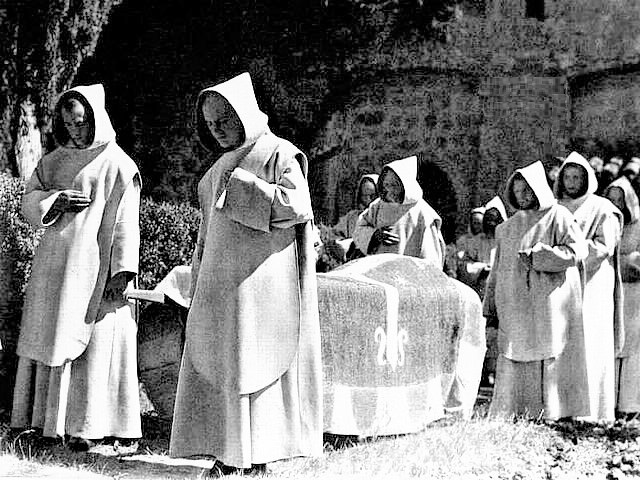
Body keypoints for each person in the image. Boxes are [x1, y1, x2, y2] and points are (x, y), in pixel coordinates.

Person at [169, 72, 322, 476]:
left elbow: (297, 207)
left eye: (225, 120)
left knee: (258, 361)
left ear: (244, 113)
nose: (218, 130)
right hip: (220, 285)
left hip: (264, 284)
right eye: (211, 123)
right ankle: (228, 452)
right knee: (222, 362)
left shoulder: (280, 153)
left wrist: (241, 189)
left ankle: (259, 455)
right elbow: (207, 233)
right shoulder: (215, 168)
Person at [11, 84, 142, 450]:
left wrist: (123, 270)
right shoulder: (53, 161)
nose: (75, 130)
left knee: (94, 342)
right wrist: (55, 200)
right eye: (68, 123)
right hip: (54, 266)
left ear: (96, 118)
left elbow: (126, 220)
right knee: (51, 339)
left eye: (81, 122)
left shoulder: (119, 164)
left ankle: (88, 427)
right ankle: (45, 425)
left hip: (96, 266)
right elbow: (29, 200)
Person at [483, 160, 589, 420]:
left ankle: (550, 410)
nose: (522, 196)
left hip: (547, 299)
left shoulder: (558, 216)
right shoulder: (506, 228)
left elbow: (577, 251)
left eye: (527, 190)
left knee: (546, 350)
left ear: (538, 188)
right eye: (518, 191)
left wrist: (542, 257)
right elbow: (497, 268)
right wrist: (491, 305)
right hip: (515, 302)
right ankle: (514, 408)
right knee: (514, 349)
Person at [554, 151, 623, 422]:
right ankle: (562, 406)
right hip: (561, 282)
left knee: (590, 343)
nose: (571, 182)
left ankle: (594, 410)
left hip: (592, 283)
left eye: (577, 177)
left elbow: (604, 246)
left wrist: (570, 255)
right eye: (568, 177)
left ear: (586, 179)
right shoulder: (555, 208)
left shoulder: (602, 208)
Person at [353, 155, 445, 267]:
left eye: (394, 185)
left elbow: (431, 256)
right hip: (378, 270)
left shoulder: (423, 213)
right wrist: (373, 236)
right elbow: (359, 229)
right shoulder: (377, 206)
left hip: (408, 272)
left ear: (404, 185)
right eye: (386, 185)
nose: (389, 190)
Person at [605, 177, 640, 417]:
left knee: (632, 347)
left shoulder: (638, 226)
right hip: (609, 291)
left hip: (633, 293)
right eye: (611, 199)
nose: (616, 204)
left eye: (620, 200)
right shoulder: (605, 222)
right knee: (611, 344)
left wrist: (626, 262)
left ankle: (630, 404)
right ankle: (608, 403)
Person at [330, 173, 379, 261]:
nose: (368, 199)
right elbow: (334, 236)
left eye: (372, 196)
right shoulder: (351, 217)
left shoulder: (383, 218)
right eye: (364, 195)